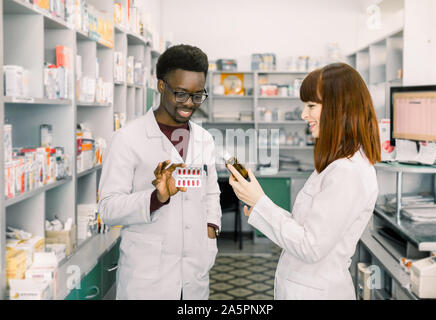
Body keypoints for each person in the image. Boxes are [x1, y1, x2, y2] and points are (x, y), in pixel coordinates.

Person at [228, 63, 381, 300]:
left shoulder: (348, 172)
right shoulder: (336, 164)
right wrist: (260, 202)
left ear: (338, 107)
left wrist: (260, 203)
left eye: (311, 105)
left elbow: (310, 246)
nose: (303, 114)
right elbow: (305, 228)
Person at [98, 44, 222, 300]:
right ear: (161, 86)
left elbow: (211, 193)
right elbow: (108, 209)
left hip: (194, 274)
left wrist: (211, 231)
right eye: (181, 94)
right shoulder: (127, 139)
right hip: (148, 279)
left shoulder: (204, 139)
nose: (189, 104)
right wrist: (157, 197)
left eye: (198, 95)